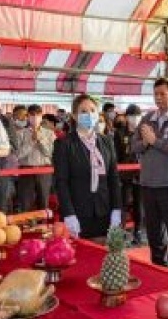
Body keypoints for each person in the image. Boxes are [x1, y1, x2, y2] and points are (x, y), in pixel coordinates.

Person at [132, 79, 168, 269]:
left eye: (163, 94)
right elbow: (134, 145)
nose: (159, 98)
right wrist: (147, 143)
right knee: (153, 230)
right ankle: (158, 265)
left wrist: (154, 141)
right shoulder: (147, 118)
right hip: (148, 182)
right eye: (156, 94)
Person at [52, 94, 122, 240]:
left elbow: (113, 178)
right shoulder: (64, 144)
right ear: (74, 116)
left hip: (105, 210)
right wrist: (69, 214)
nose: (89, 114)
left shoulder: (107, 141)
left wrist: (117, 209)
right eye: (83, 111)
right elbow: (61, 182)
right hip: (79, 212)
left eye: (92, 110)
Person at [14, 104, 55, 213]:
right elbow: (18, 155)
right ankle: (27, 226)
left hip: (44, 170)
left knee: (44, 201)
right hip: (26, 170)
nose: (35, 117)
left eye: (38, 115)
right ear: (28, 116)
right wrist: (31, 142)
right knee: (26, 202)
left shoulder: (50, 134)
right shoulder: (20, 134)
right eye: (32, 115)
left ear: (41, 116)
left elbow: (51, 153)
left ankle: (43, 227)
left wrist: (40, 141)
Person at [113, 105, 144, 243]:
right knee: (123, 204)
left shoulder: (144, 132)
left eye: (137, 116)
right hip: (124, 175)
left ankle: (138, 231)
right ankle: (121, 231)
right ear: (126, 117)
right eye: (131, 116)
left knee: (139, 204)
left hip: (141, 175)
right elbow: (116, 155)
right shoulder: (119, 133)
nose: (134, 119)